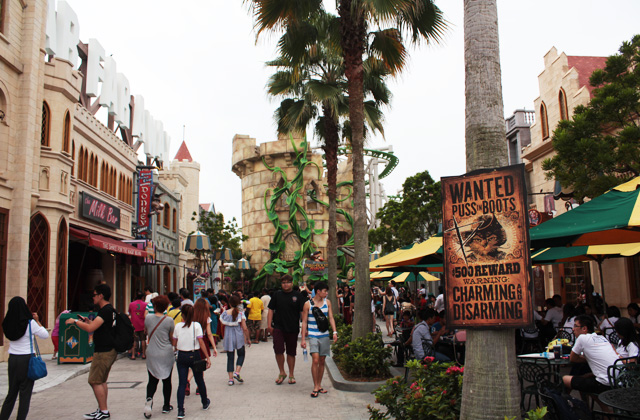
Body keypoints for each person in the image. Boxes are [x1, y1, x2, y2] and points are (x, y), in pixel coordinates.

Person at [66, 284, 117, 420]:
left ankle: (104, 411)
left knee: (94, 380)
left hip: (104, 351)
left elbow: (90, 329)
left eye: (94, 295)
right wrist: (88, 322)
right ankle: (102, 409)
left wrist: (75, 321)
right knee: (101, 380)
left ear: (101, 296)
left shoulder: (105, 310)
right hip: (107, 349)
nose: (93, 297)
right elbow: (96, 326)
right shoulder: (109, 310)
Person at [0, 297, 49, 420]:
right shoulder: (30, 323)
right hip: (27, 360)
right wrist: (37, 321)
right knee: (25, 395)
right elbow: (44, 335)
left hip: (13, 360)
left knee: (11, 393)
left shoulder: (7, 323)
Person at [562, 315, 620, 408]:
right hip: (618, 380)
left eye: (575, 326)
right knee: (585, 377)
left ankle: (562, 407)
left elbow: (573, 358)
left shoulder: (582, 338)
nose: (573, 329)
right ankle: (601, 409)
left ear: (584, 328)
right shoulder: (602, 338)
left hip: (605, 384)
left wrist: (586, 358)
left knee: (565, 379)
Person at [172, 304, 211, 419]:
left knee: (182, 383)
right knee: (200, 380)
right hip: (195, 354)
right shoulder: (196, 325)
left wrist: (176, 348)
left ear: (182, 315)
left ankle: (180, 410)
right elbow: (201, 342)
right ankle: (204, 402)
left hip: (182, 355)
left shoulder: (178, 326)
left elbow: (174, 342)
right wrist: (207, 357)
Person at [301, 281, 338, 397]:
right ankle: (315, 385)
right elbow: (304, 321)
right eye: (325, 291)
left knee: (322, 360)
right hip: (313, 335)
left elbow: (331, 317)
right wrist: (303, 339)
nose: (326, 293)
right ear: (318, 291)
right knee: (315, 360)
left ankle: (319, 384)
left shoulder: (328, 303)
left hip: (324, 334)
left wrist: (335, 332)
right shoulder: (307, 304)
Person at [268, 274, 305, 385]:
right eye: (283, 282)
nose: (285, 285)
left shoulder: (298, 296)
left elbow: (302, 312)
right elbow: (270, 309)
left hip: (293, 328)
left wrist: (305, 327)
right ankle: (282, 372)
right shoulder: (276, 295)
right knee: (278, 350)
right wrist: (269, 325)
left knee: (291, 352)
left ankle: (291, 374)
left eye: (288, 282)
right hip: (278, 327)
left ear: (292, 283)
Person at [144, 295, 176, 418]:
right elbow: (171, 337)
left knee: (152, 380)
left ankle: (149, 401)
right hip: (166, 352)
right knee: (167, 380)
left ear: (155, 306)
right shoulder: (169, 320)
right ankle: (166, 406)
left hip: (152, 352)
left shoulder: (148, 318)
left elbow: (146, 332)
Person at [220, 295, 251, 385]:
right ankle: (237, 372)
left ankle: (230, 379)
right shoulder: (240, 314)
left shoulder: (225, 313)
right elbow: (244, 328)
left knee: (230, 357)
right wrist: (248, 338)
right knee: (241, 354)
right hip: (238, 336)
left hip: (228, 337)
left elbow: (222, 324)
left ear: (229, 303)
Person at [191, 298, 218, 396]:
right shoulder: (206, 317)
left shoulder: (191, 316)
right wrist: (214, 347)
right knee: (200, 364)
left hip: (191, 341)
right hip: (201, 340)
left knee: (191, 364)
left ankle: (187, 381)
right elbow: (209, 333)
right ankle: (199, 386)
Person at [129, 290, 147, 360]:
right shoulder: (145, 304)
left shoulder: (131, 304)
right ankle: (144, 354)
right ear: (142, 297)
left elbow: (130, 313)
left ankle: (133, 355)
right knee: (143, 340)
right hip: (142, 324)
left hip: (134, 324)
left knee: (134, 340)